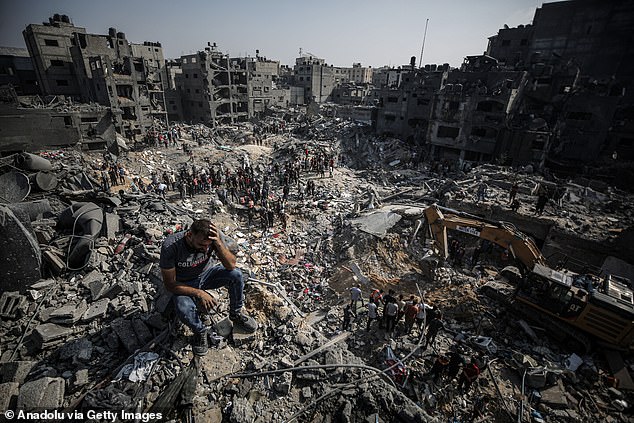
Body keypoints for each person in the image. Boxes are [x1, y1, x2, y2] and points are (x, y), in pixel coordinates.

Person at [159, 219, 257, 356]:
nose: (205, 249)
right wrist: (199, 293)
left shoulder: (213, 237)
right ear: (189, 235)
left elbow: (231, 265)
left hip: (207, 275)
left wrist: (217, 243)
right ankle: (200, 331)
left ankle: (236, 314)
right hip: (184, 282)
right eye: (200, 245)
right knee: (183, 308)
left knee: (236, 275)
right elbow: (170, 284)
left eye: (208, 245)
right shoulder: (171, 246)